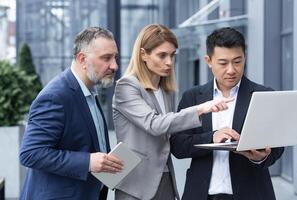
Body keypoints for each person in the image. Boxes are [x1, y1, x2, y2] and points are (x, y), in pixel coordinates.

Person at [112, 24, 234, 200]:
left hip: (165, 176)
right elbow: (154, 124)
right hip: (136, 183)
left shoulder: (165, 90)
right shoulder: (127, 86)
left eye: (172, 55)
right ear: (143, 54)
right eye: (162, 55)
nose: (169, 62)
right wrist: (201, 108)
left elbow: (172, 131)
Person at [170, 27, 284, 200]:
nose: (231, 70)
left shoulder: (263, 95)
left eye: (237, 61)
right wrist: (212, 137)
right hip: (202, 194)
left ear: (244, 58)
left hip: (252, 193)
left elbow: (277, 147)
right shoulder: (193, 97)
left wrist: (260, 157)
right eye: (223, 63)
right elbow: (178, 145)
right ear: (208, 61)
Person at [19, 27, 124, 200]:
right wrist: (88, 162)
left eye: (115, 58)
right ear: (82, 59)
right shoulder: (56, 96)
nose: (114, 66)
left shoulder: (90, 92)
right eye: (106, 58)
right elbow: (30, 153)